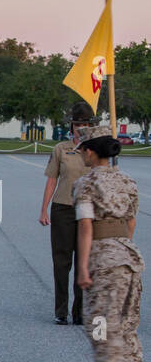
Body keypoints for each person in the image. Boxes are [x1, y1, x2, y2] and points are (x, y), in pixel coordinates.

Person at [73, 135, 142, 362]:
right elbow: (131, 222)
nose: (81, 155)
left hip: (103, 256)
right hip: (128, 254)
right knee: (126, 318)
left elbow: (86, 226)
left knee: (99, 320)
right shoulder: (127, 182)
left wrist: (82, 267)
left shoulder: (86, 183)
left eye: (82, 151)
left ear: (90, 153)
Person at [40, 103, 103, 324]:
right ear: (72, 126)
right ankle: (61, 311)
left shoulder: (96, 151)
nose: (81, 128)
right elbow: (52, 180)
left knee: (83, 261)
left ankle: (79, 311)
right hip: (63, 207)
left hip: (88, 211)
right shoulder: (61, 149)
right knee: (61, 261)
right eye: (78, 124)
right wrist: (44, 209)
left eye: (85, 124)